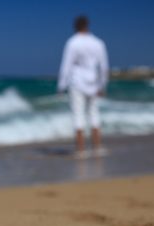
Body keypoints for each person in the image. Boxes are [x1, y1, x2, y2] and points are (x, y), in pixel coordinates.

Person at [58, 15, 109, 159]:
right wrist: (103, 85)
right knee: (94, 114)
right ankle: (97, 148)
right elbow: (104, 67)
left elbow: (66, 65)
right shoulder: (98, 43)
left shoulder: (73, 43)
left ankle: (81, 150)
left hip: (77, 83)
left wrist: (61, 85)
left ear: (75, 26)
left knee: (78, 115)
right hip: (93, 83)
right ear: (87, 25)